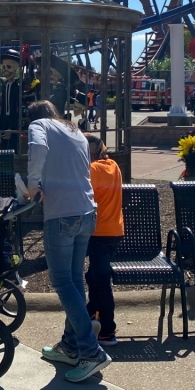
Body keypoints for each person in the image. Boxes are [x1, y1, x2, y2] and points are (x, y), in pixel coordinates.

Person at [24, 100, 110, 384]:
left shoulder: (39, 125)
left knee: (62, 282)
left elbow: (37, 148)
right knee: (74, 280)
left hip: (61, 214)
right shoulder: (75, 131)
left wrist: (33, 183)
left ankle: (90, 351)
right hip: (87, 212)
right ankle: (71, 345)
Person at [85, 136, 123, 348]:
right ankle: (94, 316)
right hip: (115, 231)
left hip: (99, 232)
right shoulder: (113, 165)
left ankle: (107, 330)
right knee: (94, 276)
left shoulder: (93, 170)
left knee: (101, 281)